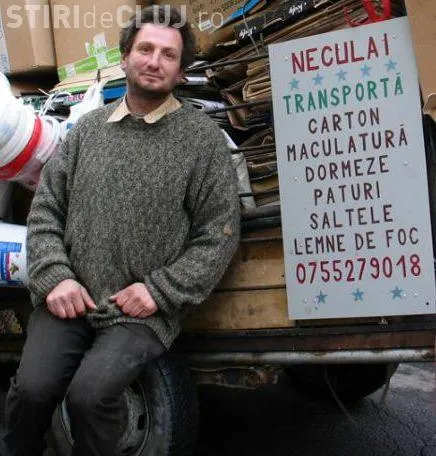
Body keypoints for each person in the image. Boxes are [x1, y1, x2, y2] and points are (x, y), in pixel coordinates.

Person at [2, 5, 240, 456]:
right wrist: (56, 277)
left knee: (90, 396)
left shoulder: (202, 141)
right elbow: (46, 211)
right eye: (145, 49)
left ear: (181, 70)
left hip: (140, 312)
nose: (154, 61)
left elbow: (219, 234)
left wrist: (159, 291)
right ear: (125, 57)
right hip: (71, 299)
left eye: (168, 55)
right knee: (31, 390)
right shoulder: (86, 132)